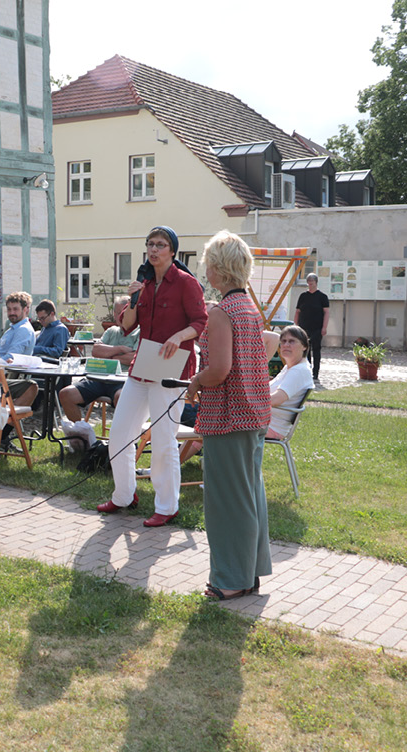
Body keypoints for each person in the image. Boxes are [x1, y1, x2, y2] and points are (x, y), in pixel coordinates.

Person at [98, 226, 207, 527]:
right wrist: (134, 299)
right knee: (119, 433)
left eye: (161, 244)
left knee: (163, 440)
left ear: (172, 251)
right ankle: (124, 495)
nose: (154, 249)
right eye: (150, 244)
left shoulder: (186, 283)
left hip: (172, 366)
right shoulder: (143, 283)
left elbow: (200, 321)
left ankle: (167, 506)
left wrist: (178, 336)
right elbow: (127, 327)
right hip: (143, 365)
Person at [185, 230, 272, 600]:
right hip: (254, 414)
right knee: (249, 496)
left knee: (226, 503)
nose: (207, 272)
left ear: (219, 270)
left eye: (208, 265)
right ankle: (248, 573)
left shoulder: (222, 313)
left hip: (228, 417)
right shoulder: (250, 308)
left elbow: (218, 370)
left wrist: (194, 381)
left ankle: (231, 579)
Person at [59, 295, 138, 422]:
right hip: (99, 377)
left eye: (123, 312)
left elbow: (133, 358)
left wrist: (109, 354)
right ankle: (82, 434)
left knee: (122, 398)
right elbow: (96, 351)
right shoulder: (111, 331)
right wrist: (120, 349)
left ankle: (121, 437)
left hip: (122, 380)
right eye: (117, 313)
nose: (119, 316)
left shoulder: (139, 332)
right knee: (66, 394)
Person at [267, 325, 314, 439]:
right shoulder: (290, 368)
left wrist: (246, 402)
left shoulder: (299, 371)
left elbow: (276, 399)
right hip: (265, 421)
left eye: (292, 341)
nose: (286, 345)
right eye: (283, 341)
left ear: (304, 346)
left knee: (220, 422)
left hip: (272, 426)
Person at [294, 273, 330, 381]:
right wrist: (295, 325)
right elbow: (297, 312)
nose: (310, 285)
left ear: (316, 283)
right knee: (305, 350)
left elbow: (327, 313)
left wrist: (324, 327)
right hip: (303, 327)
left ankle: (316, 373)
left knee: (316, 350)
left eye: (312, 283)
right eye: (308, 283)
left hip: (317, 328)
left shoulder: (322, 297)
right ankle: (307, 371)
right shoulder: (303, 296)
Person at [0, 291, 35, 361]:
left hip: (6, 370)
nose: (11, 313)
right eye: (9, 309)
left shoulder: (24, 330)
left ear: (25, 309)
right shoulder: (12, 329)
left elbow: (11, 357)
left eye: (15, 309)